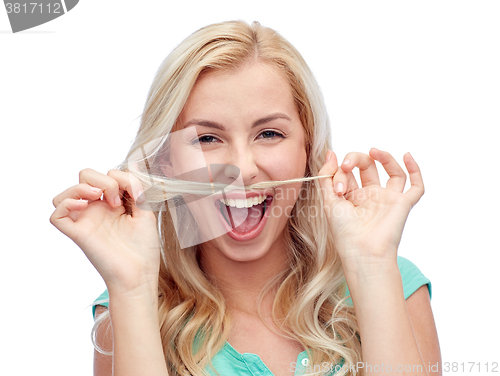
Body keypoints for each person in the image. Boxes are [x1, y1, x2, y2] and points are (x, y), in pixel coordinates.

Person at [50, 20, 441, 376]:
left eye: (269, 134)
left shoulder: (394, 281)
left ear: (309, 148)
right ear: (166, 163)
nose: (242, 168)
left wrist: (371, 267)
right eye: (207, 138)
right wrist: (132, 286)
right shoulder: (128, 303)